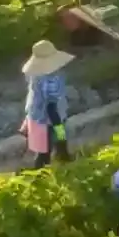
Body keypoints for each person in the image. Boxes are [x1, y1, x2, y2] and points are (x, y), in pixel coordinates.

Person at [21, 40, 74, 170]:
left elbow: (34, 96)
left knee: (45, 147)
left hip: (36, 115)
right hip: (51, 117)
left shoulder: (34, 75)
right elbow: (51, 105)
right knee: (46, 150)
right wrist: (57, 123)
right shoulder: (52, 79)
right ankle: (44, 171)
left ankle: (62, 157)